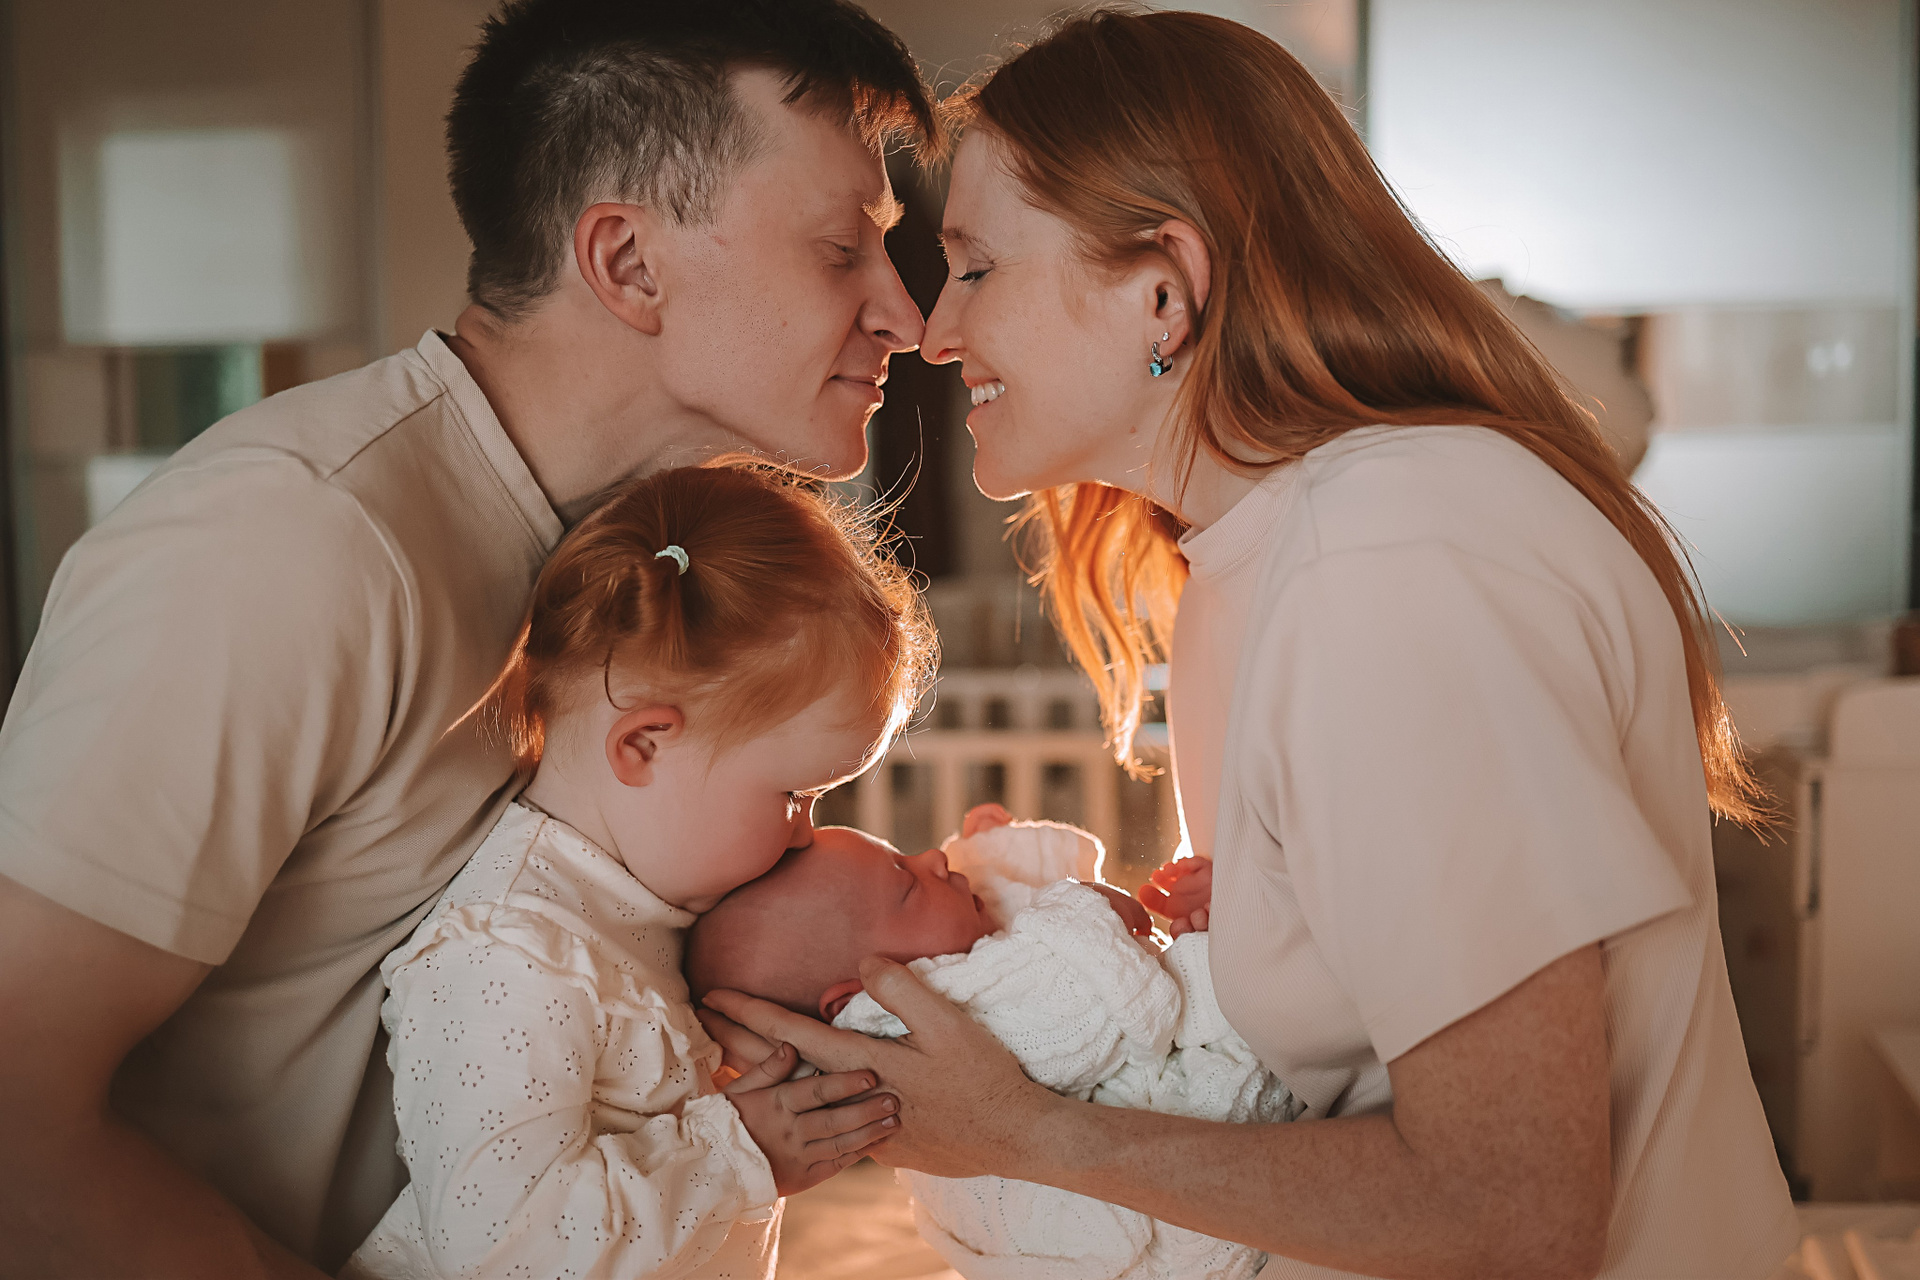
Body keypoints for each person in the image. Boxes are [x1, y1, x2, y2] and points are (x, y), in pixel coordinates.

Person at [699, 10, 1798, 1279]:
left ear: (1162, 291)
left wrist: (1024, 1132)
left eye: (979, 267)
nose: (935, 333)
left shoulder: (1390, 560)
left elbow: (1514, 1209)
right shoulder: (1256, 558)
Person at [0, 1, 931, 1274]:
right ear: (627, 262)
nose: (906, 314)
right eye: (840, 249)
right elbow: (16, 1120)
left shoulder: (637, 574)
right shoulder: (292, 541)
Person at [343, 465, 933, 1279]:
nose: (805, 834)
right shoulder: (514, 954)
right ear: (644, 746)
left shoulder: (634, 915)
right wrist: (740, 1152)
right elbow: (502, 1253)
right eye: (794, 796)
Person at [687, 807, 1296, 1280]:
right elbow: (1095, 1014)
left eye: (905, 856)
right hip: (1163, 1235)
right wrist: (1090, 911)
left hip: (1109, 1171)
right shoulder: (920, 1018)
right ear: (856, 999)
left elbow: (1009, 912)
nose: (934, 856)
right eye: (907, 884)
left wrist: (990, 851)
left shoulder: (921, 984)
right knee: (1215, 1010)